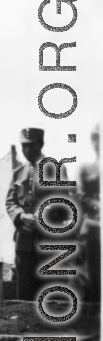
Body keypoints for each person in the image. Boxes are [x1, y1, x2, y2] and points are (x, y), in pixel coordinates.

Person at [6, 127, 73, 301]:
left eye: (31, 145)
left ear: (41, 144)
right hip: (25, 237)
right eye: (23, 146)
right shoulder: (18, 172)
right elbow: (10, 201)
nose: (26, 149)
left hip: (49, 237)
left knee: (51, 288)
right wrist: (20, 216)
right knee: (25, 291)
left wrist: (39, 215)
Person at [78, 123, 100, 302]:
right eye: (96, 138)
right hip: (94, 227)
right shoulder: (86, 168)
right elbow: (80, 194)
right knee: (93, 273)